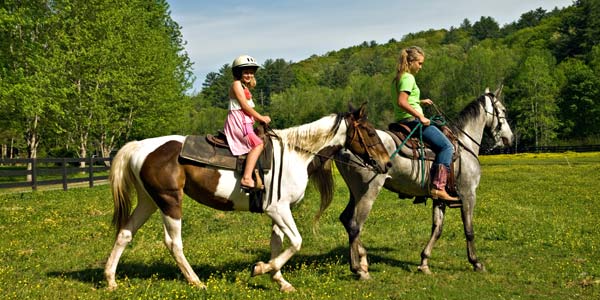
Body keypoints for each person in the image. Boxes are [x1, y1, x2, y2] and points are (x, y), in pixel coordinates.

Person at [391, 46, 459, 201]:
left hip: (401, 120)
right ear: (411, 61)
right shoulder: (409, 78)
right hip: (413, 121)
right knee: (447, 146)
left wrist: (421, 101)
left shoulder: (398, 78)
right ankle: (438, 187)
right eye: (419, 63)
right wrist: (420, 116)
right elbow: (402, 102)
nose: (421, 67)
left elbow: (405, 100)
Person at [224, 55, 271, 190]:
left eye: (251, 72)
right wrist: (261, 118)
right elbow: (245, 106)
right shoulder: (236, 84)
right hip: (238, 122)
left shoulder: (245, 87)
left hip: (246, 123)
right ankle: (246, 178)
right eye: (246, 72)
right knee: (257, 144)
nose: (249, 75)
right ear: (239, 73)